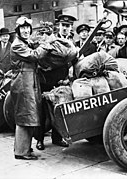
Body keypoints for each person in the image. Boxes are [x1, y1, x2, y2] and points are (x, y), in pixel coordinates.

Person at [10, 16, 52, 160]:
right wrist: (45, 45)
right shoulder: (17, 45)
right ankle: (21, 152)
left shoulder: (25, 42)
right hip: (22, 83)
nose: (26, 30)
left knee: (29, 115)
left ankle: (25, 148)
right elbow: (34, 56)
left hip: (28, 81)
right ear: (18, 30)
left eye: (28, 28)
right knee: (24, 116)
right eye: (23, 28)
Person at [36, 16, 77, 150]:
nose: (65, 28)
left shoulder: (71, 43)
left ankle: (57, 138)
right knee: (42, 111)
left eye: (68, 26)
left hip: (61, 81)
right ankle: (40, 139)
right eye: (63, 25)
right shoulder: (50, 39)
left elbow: (74, 60)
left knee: (58, 110)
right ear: (58, 26)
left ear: (71, 28)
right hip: (46, 79)